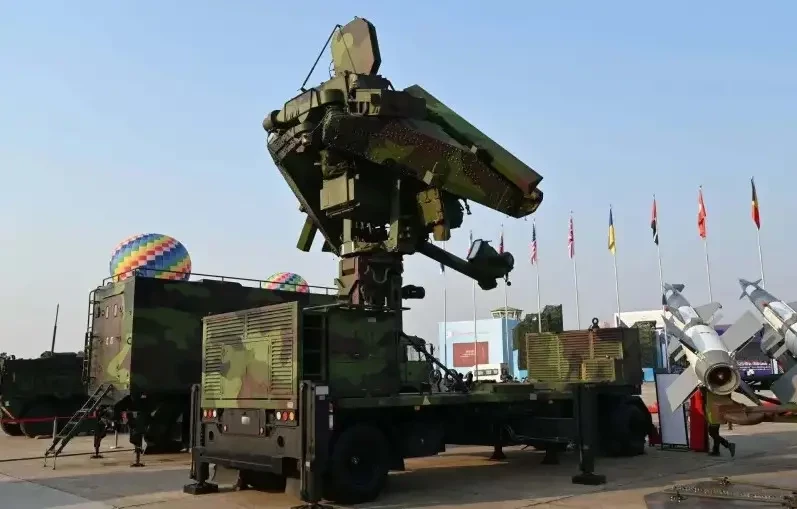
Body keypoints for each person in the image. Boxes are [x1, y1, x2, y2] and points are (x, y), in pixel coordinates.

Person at [705, 390, 736, 457]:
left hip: (714, 411)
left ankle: (728, 445)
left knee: (712, 432)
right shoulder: (720, 390)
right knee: (715, 433)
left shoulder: (714, 389)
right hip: (716, 410)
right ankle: (716, 451)